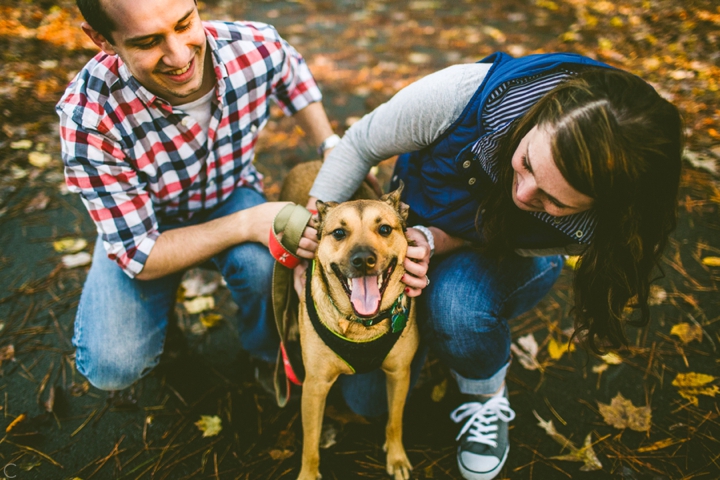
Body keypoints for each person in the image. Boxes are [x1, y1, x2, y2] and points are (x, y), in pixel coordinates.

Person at [304, 52, 683, 480]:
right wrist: (308, 245)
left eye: (553, 202)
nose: (522, 195)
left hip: (502, 254)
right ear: (539, 117)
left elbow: (520, 249)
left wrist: (437, 242)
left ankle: (485, 393)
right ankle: (426, 332)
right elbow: (359, 144)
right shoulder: (460, 96)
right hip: (416, 229)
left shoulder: (609, 227)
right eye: (525, 164)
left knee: (455, 306)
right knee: (367, 401)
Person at [56, 0, 337, 392]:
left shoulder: (254, 45)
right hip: (147, 228)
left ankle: (266, 354)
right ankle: (166, 342)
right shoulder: (88, 117)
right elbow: (141, 253)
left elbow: (295, 79)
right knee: (112, 366)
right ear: (101, 39)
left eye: (185, 24)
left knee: (262, 267)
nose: (179, 55)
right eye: (148, 42)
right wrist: (247, 223)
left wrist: (330, 146)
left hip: (229, 192)